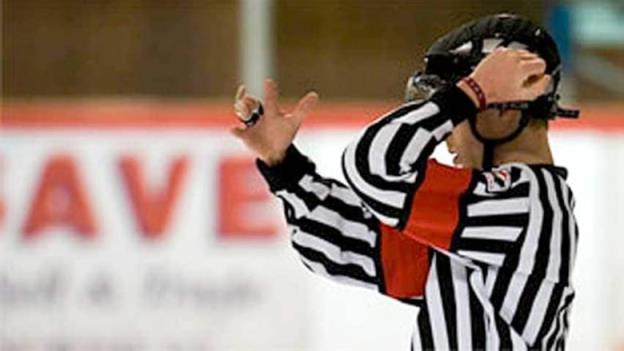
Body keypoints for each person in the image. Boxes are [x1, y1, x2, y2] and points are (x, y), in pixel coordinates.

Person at [232, 14, 579, 350]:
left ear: (505, 110)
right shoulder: (494, 215)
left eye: (461, 114)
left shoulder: (525, 202)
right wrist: (287, 169)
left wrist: (468, 92)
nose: (447, 138)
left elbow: (375, 168)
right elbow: (340, 245)